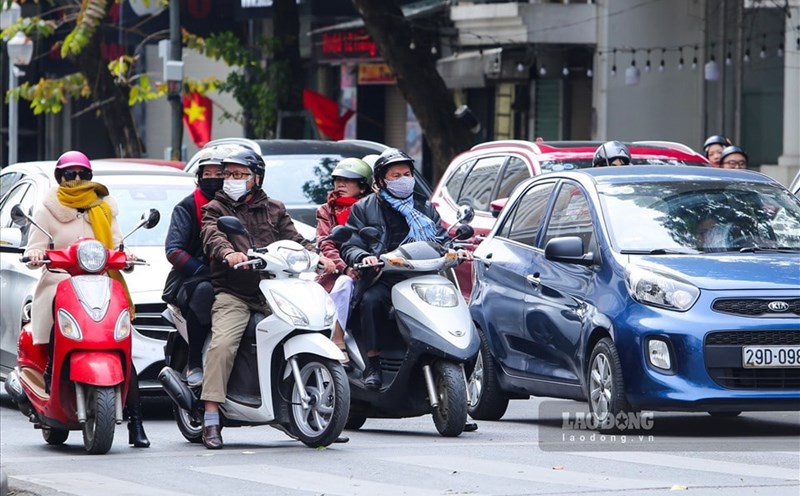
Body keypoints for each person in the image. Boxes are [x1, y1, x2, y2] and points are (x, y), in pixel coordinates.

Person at [198, 148, 336, 450]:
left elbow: (295, 239)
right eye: (228, 174)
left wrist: (319, 256)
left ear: (256, 178)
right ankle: (210, 415)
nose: (231, 179)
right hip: (236, 292)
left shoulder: (274, 208)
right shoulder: (216, 208)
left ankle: (300, 412)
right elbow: (212, 236)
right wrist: (228, 253)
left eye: (239, 174)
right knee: (223, 345)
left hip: (276, 290)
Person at [24, 150, 150, 448]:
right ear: (60, 178)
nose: (77, 179)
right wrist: (36, 254)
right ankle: (48, 374)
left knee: (122, 348)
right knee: (56, 326)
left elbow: (118, 244)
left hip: (100, 283)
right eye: (70, 174)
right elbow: (34, 248)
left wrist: (127, 255)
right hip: (60, 281)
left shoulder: (105, 206)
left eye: (83, 174)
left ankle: (135, 421)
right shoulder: (47, 209)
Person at [340, 148, 473, 390]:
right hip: (384, 276)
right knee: (370, 301)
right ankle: (373, 364)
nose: (404, 179)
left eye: (407, 174)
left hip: (425, 275)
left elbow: (442, 239)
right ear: (380, 180)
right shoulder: (364, 207)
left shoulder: (425, 206)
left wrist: (457, 251)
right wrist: (365, 257)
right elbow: (350, 244)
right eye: (396, 175)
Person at [164, 145, 236, 387]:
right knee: (204, 292)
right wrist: (201, 270)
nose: (214, 179)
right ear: (199, 176)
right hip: (195, 277)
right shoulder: (187, 207)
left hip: (237, 272)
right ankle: (195, 361)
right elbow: (173, 250)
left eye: (220, 174)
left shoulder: (240, 204)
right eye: (208, 174)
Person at [315, 158, 374, 366]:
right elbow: (326, 243)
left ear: (362, 185)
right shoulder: (326, 210)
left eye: (347, 180)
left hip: (373, 267)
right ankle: (337, 340)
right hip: (340, 271)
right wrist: (344, 268)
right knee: (343, 284)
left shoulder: (373, 206)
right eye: (337, 180)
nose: (340, 185)